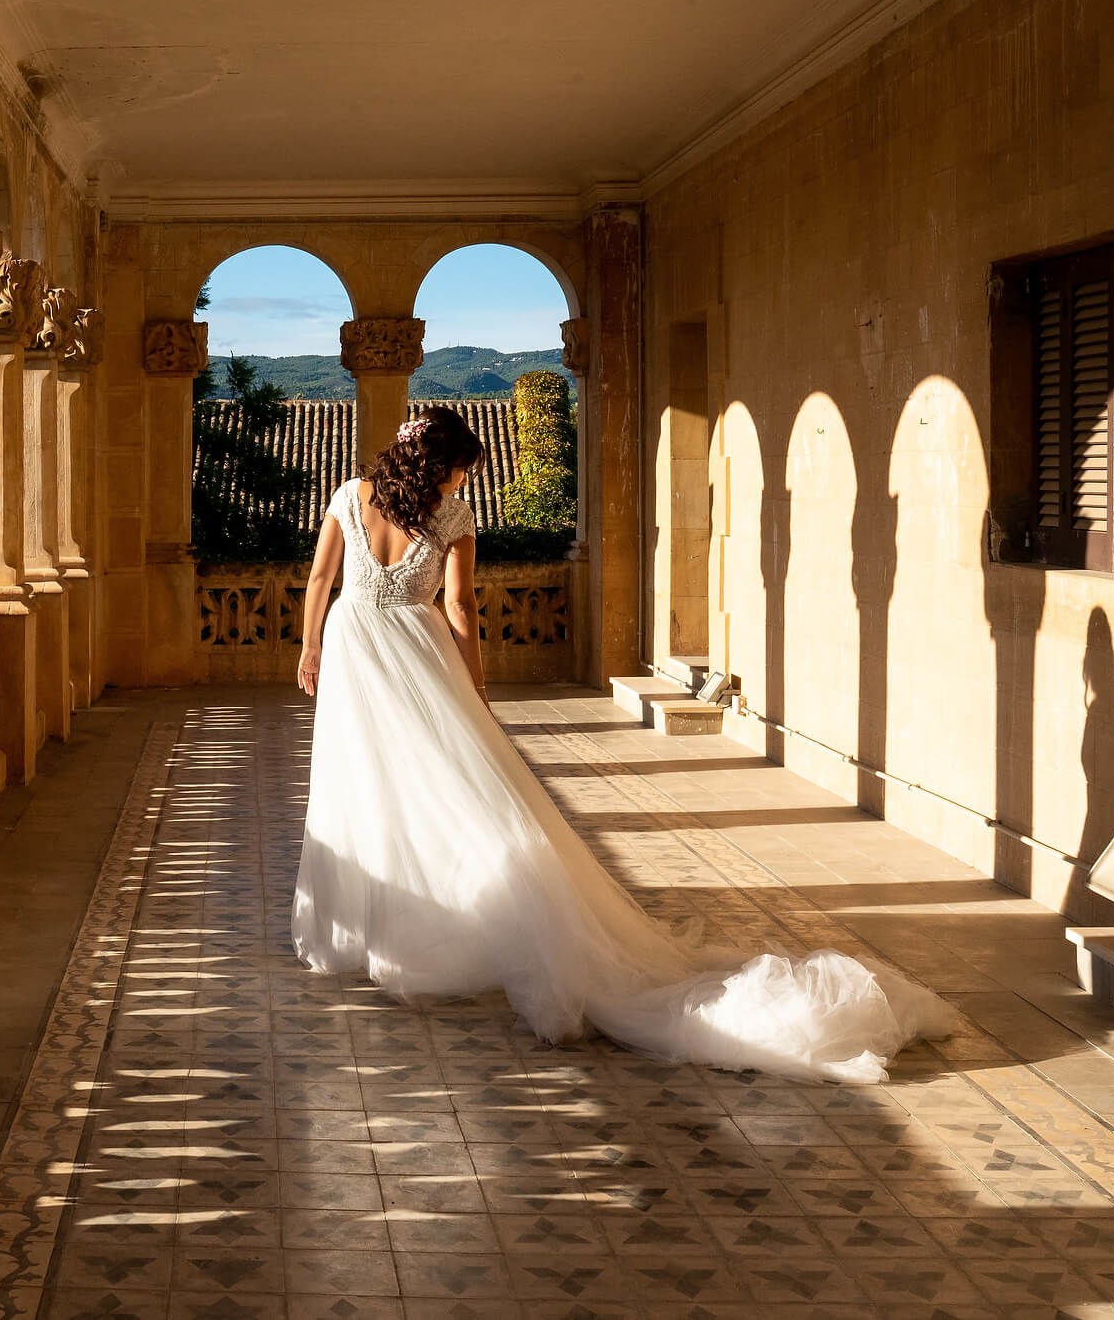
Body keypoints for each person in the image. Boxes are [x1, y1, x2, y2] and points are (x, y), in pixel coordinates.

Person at [290, 406, 957, 1083]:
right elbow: (460, 610)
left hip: (353, 649)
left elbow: (319, 579)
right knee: (450, 792)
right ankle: (445, 930)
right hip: (422, 657)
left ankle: (375, 935)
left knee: (366, 785)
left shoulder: (350, 496)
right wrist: (478, 696)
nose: (465, 482)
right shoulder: (454, 519)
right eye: (464, 469)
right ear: (444, 465)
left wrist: (311, 645)